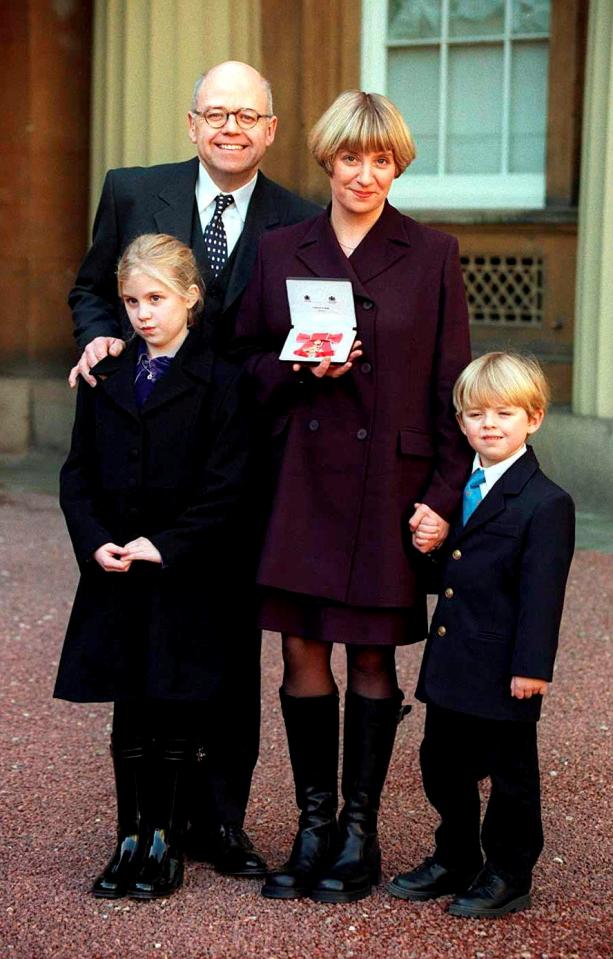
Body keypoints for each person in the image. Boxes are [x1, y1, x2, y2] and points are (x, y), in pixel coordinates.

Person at [66, 60, 319, 877]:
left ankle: (219, 820)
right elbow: (94, 289)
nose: (231, 128)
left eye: (248, 115)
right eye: (216, 113)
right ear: (192, 122)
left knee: (228, 647)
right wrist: (99, 336)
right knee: (146, 648)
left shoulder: (296, 218)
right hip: (144, 444)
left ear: (270, 131)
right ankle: (150, 824)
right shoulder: (134, 189)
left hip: (238, 464)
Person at [234, 90, 472, 903]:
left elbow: (454, 388)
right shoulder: (279, 248)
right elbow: (243, 369)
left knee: (371, 655)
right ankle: (312, 825)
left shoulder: (433, 252)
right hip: (298, 484)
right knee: (301, 649)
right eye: (348, 158)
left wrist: (445, 494)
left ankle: (358, 834)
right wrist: (297, 367)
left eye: (379, 160)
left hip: (392, 489)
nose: (362, 174)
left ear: (397, 165)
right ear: (326, 160)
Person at [55, 233, 255, 899]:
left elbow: (229, 486)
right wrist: (94, 540)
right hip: (115, 571)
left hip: (183, 573)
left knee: (173, 705)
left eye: (157, 298)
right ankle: (129, 836)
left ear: (191, 297)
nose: (142, 313)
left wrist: (168, 542)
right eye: (131, 301)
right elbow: (77, 472)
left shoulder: (221, 380)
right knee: (129, 707)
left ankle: (165, 836)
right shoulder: (106, 375)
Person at [388, 352, 575, 918]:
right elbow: (451, 570)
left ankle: (509, 870)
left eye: (504, 413)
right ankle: (457, 855)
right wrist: (428, 548)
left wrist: (533, 668)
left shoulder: (547, 503)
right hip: (453, 659)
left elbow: (542, 598)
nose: (489, 424)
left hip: (504, 668)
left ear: (534, 419)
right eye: (475, 414)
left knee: (511, 774)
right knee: (441, 762)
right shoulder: (457, 490)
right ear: (461, 422)